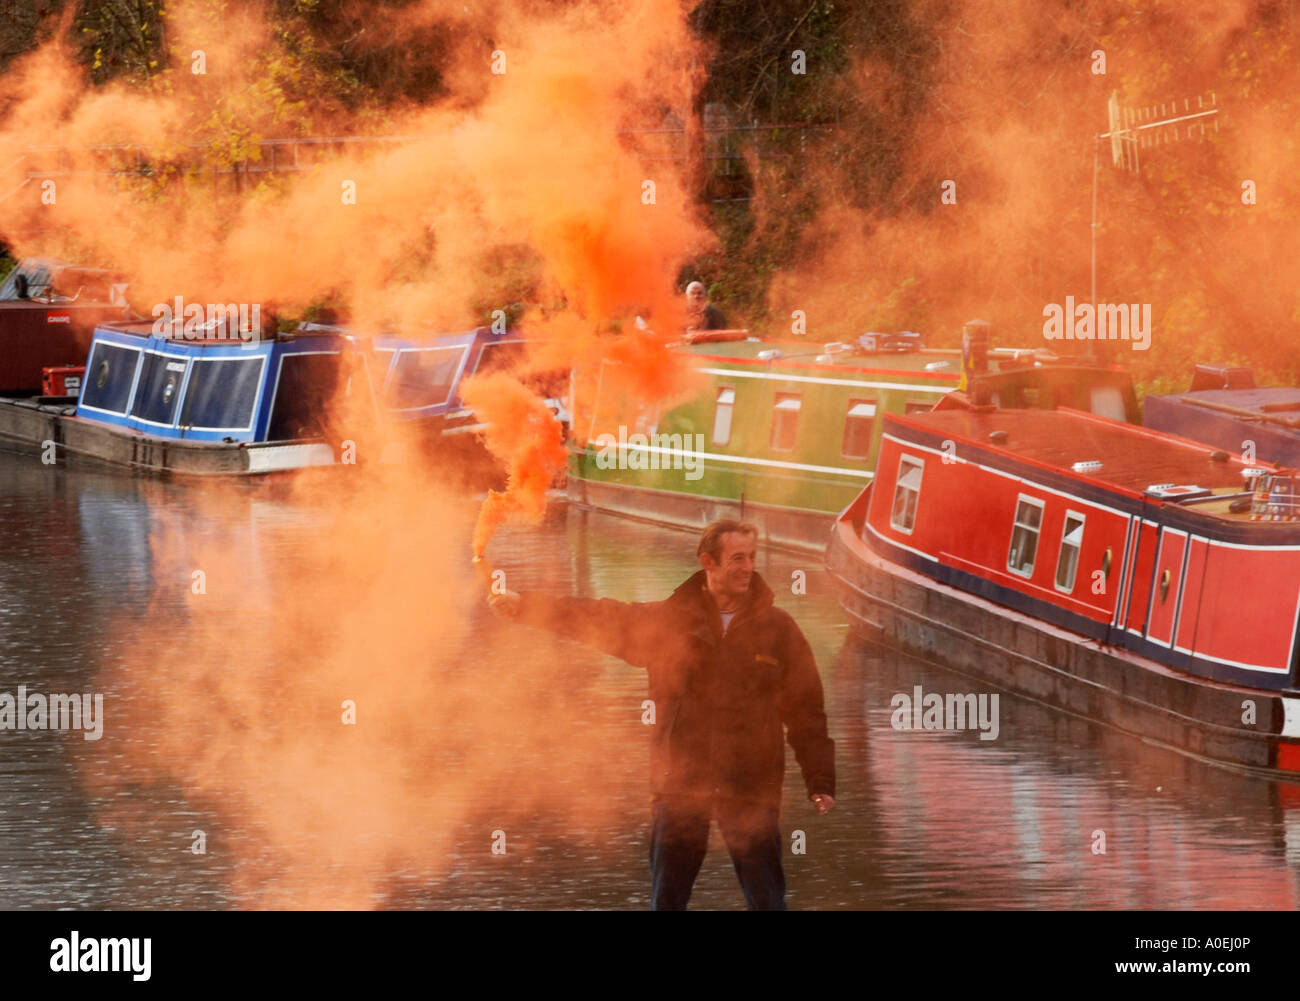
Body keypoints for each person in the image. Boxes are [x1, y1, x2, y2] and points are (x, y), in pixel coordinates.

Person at [488, 519, 835, 910]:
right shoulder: (667, 623)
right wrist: (526, 607)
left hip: (750, 786)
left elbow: (807, 710)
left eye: (751, 557)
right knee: (667, 901)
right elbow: (597, 617)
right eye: (737, 558)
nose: (747, 567)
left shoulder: (779, 629)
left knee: (768, 901)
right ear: (709, 561)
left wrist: (819, 777)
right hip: (680, 786)